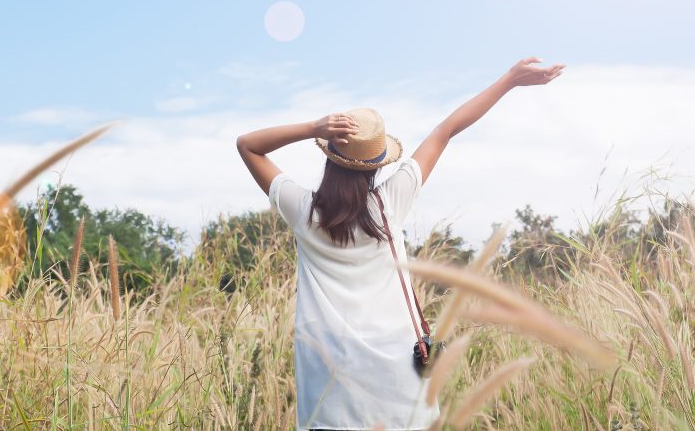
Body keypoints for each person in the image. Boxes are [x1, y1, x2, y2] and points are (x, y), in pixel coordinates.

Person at [235, 57, 566, 430]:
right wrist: (509, 80)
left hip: (328, 389)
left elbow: (248, 146)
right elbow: (446, 130)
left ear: (329, 158)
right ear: (377, 166)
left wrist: (313, 127)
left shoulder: (303, 211)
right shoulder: (390, 202)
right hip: (397, 386)